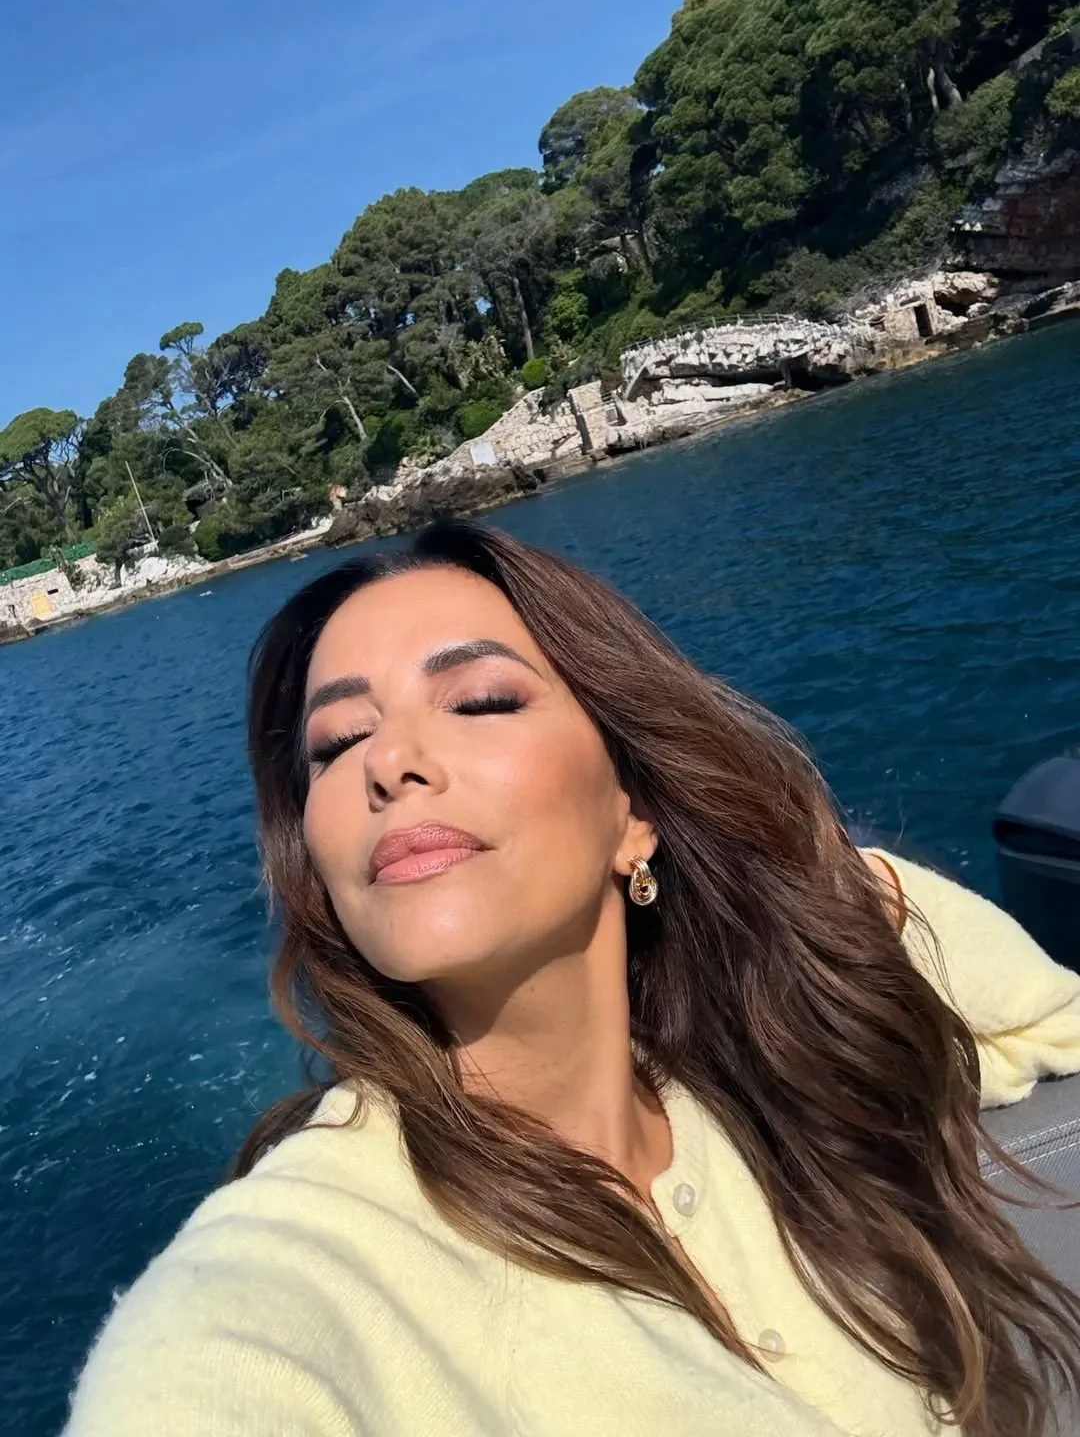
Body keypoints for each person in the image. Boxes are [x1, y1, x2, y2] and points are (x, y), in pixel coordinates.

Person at [66, 519, 1080, 1437]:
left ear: (634, 811)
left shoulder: (768, 1063)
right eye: (337, 743)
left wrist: (820, 882)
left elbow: (1038, 1014)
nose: (389, 762)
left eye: (479, 699)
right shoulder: (293, 1273)